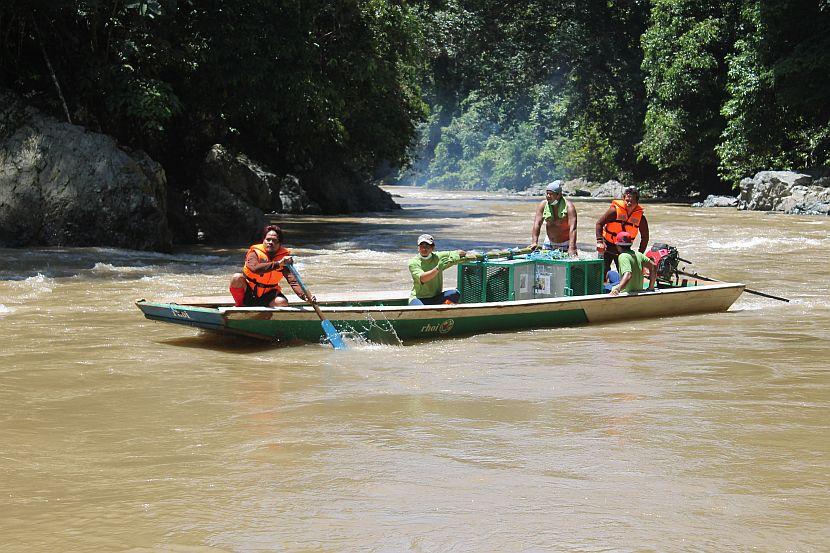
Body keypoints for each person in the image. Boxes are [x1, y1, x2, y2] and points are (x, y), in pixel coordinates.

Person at [228, 225, 314, 307]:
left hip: (269, 293)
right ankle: (240, 305)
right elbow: (255, 268)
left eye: (274, 240)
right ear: (263, 240)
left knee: (282, 303)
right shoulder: (254, 253)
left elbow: (293, 280)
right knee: (236, 277)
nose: (270, 243)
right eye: (268, 239)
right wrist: (278, 264)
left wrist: (305, 295)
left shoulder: (284, 258)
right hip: (250, 291)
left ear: (280, 243)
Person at [595, 185, 650, 274]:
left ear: (637, 202)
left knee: (625, 273)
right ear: (623, 199)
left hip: (624, 249)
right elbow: (599, 224)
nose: (629, 203)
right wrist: (600, 241)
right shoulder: (614, 211)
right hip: (607, 246)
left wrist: (640, 254)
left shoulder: (641, 218)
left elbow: (645, 237)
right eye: (627, 201)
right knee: (601, 273)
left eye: (632, 201)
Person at [408, 234, 467, 305]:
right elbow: (423, 278)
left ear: (432, 248)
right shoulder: (413, 262)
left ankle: (443, 310)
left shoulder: (438, 256)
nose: (424, 249)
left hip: (436, 297)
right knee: (421, 309)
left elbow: (460, 252)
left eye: (427, 246)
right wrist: (438, 268)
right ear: (418, 248)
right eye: (421, 246)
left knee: (455, 293)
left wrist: (455, 256)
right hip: (419, 298)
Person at [530, 180, 578, 256]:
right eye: (547, 193)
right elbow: (537, 224)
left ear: (558, 195)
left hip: (565, 244)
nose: (548, 196)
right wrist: (534, 242)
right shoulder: (543, 205)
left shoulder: (569, 207)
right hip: (548, 243)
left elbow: (573, 228)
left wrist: (572, 247)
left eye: (551, 194)